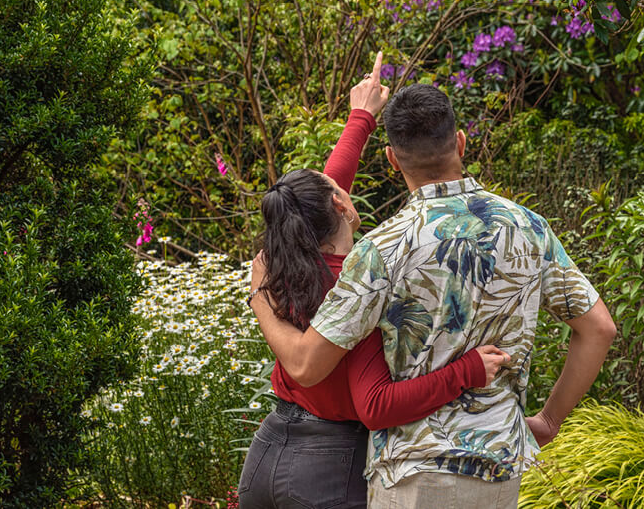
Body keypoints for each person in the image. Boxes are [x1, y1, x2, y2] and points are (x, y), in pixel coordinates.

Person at [252, 83, 617, 508]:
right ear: (460, 141)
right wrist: (549, 421)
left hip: (412, 474)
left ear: (391, 159)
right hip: (497, 469)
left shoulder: (380, 250)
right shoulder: (529, 228)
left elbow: (307, 363)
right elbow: (599, 328)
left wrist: (259, 295)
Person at [240, 56, 511, 509]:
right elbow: (377, 405)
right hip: (328, 468)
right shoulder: (360, 283)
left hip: (266, 455)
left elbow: (319, 195)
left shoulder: (283, 260)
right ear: (342, 208)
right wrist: (468, 371)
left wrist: (361, 117)